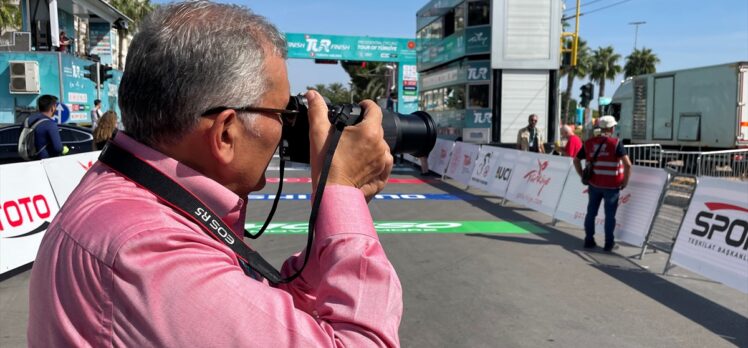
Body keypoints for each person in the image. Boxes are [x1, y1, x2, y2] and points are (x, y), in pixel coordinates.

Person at [28, 2, 401, 347]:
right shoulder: (149, 251)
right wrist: (343, 191)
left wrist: (333, 216)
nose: (290, 128)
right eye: (284, 113)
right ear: (225, 133)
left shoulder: (126, 200)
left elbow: (269, 308)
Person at [573, 115, 632, 252]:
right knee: (610, 216)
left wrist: (582, 175)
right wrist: (625, 182)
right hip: (612, 186)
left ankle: (588, 240)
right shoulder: (616, 143)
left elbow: (576, 160)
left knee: (591, 213)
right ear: (611, 128)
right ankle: (608, 244)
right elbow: (628, 165)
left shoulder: (589, 143)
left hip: (594, 185)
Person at [24, 94, 67, 159]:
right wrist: (63, 149)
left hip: (28, 159)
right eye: (55, 106)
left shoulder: (27, 120)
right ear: (52, 108)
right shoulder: (50, 124)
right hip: (45, 162)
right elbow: (58, 148)